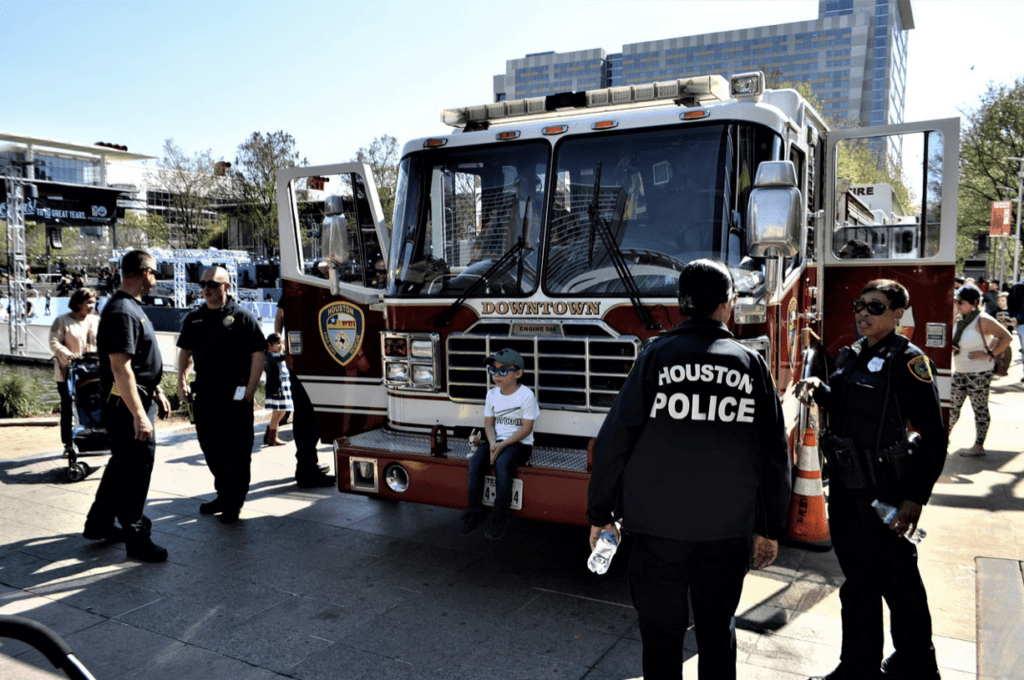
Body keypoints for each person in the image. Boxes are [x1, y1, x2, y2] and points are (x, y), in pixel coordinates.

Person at [588, 259, 791, 680]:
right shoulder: (751, 365)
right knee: (718, 631)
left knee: (661, 635)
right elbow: (774, 455)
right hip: (726, 530)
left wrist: (601, 514)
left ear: (681, 305)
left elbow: (614, 442)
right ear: (727, 304)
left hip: (657, 528)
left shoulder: (656, 357)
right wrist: (769, 527)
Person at [797, 279, 948, 680]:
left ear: (898, 314)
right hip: (849, 488)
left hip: (887, 491)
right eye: (859, 305)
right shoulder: (851, 355)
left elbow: (934, 436)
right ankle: (859, 666)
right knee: (858, 582)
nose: (863, 313)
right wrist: (819, 387)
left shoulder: (908, 361)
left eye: (875, 307)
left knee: (899, 581)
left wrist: (915, 499)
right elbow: (846, 405)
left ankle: (916, 662)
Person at [83, 250, 171, 563]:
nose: (156, 278)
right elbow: (121, 368)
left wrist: (155, 389)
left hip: (136, 398)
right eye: (155, 272)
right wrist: (138, 415)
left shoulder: (129, 307)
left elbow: (139, 362)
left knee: (122, 464)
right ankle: (137, 539)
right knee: (135, 470)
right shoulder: (122, 311)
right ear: (144, 272)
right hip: (126, 406)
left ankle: (99, 523)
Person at [177, 266, 266, 524]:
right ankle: (223, 494)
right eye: (203, 283)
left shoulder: (242, 317)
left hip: (235, 397)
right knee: (211, 449)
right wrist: (181, 381)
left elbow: (258, 355)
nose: (206, 288)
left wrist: (249, 393)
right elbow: (185, 351)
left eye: (213, 284)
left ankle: (234, 502)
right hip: (205, 396)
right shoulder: (194, 319)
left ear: (227, 286)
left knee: (236, 453)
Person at [462, 347, 539, 540]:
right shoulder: (492, 394)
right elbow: (489, 424)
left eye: (503, 371)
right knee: (475, 464)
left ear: (518, 373)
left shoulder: (526, 395)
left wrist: (502, 446)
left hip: (520, 444)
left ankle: (499, 517)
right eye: (493, 370)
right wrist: (492, 443)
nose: (496, 376)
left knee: (502, 465)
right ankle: (474, 511)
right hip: (495, 441)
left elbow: (526, 429)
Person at [274, 305, 336, 487]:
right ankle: (306, 469)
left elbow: (279, 315)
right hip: (307, 358)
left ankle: (307, 465)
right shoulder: (303, 283)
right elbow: (280, 314)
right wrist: (280, 339)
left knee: (308, 415)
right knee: (308, 416)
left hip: (310, 357)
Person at [948, 284, 1012, 456]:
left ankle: (978, 446)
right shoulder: (958, 318)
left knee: (979, 407)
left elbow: (1007, 337)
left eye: (961, 302)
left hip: (979, 372)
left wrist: (989, 353)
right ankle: (943, 438)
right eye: (956, 301)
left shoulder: (983, 320)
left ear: (974, 302)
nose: (958, 304)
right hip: (960, 369)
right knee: (952, 406)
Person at [49, 287, 99, 455]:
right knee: (69, 408)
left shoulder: (96, 320)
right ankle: (68, 443)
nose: (93, 305)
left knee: (93, 405)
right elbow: (54, 342)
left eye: (94, 302)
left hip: (93, 373)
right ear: (78, 303)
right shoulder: (62, 321)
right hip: (68, 372)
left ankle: (93, 437)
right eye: (89, 302)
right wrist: (68, 354)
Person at [263, 333, 292, 446]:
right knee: (277, 414)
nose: (281, 346)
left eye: (282, 343)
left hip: (283, 390)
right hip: (276, 391)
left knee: (282, 413)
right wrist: (290, 351)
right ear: (270, 346)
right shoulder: (271, 356)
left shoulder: (279, 357)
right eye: (278, 343)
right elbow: (281, 357)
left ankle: (271, 435)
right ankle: (272, 438)